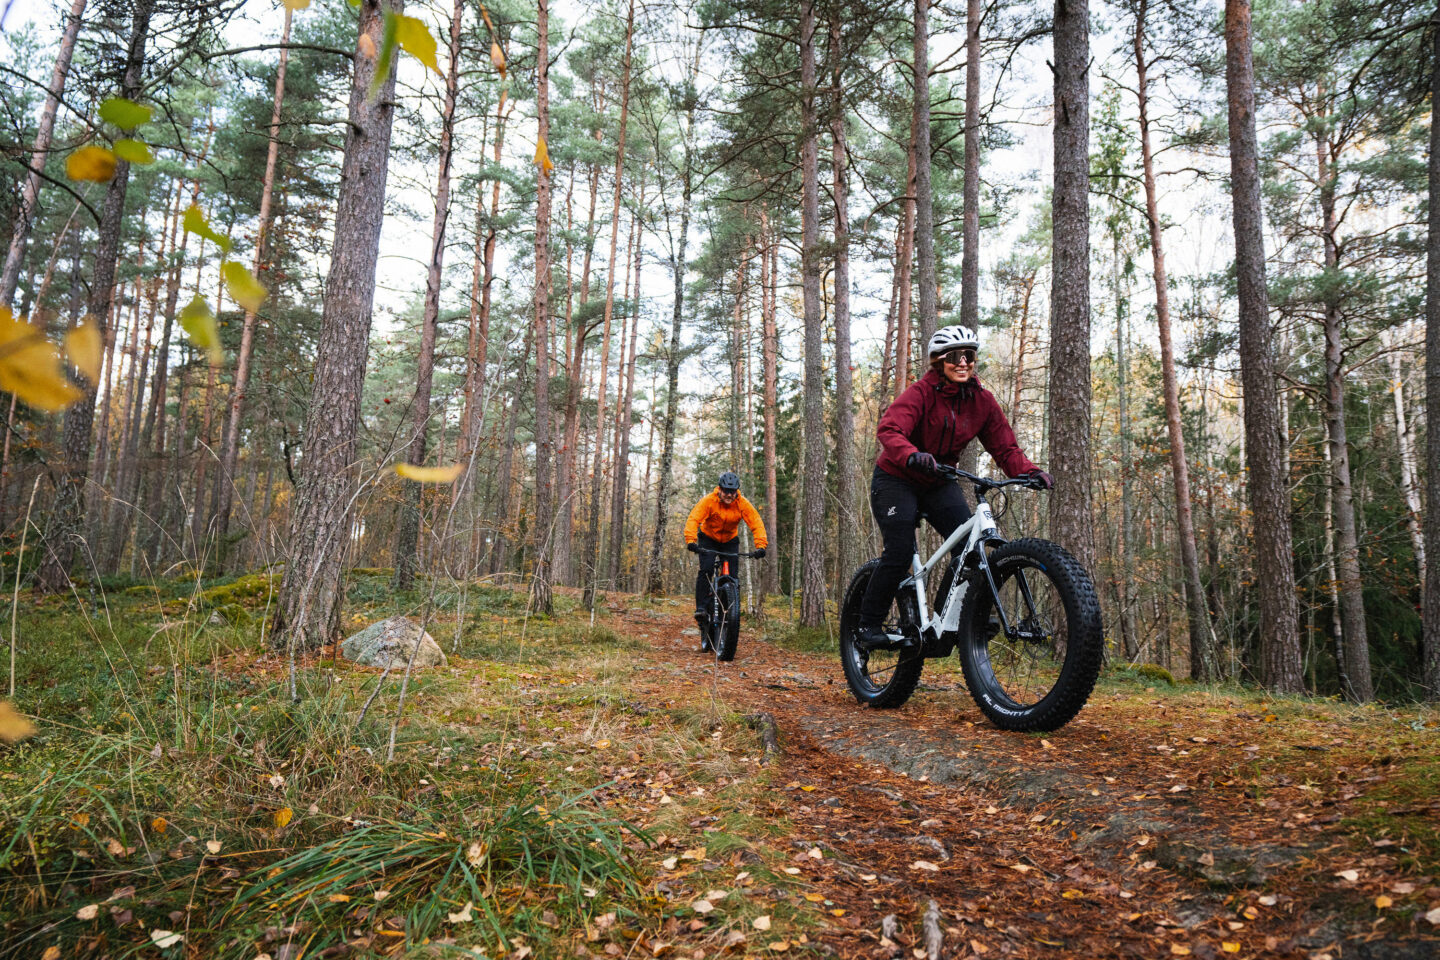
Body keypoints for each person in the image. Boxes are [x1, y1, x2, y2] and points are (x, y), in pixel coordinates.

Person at [855, 325, 1052, 650]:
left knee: (970, 551)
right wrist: (912, 454)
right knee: (900, 551)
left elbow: (1005, 449)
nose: (963, 363)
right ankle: (866, 627)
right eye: (954, 357)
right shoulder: (921, 393)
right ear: (938, 362)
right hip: (896, 478)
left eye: (970, 356)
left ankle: (948, 618)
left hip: (938, 481)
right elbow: (889, 429)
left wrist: (1029, 472)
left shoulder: (983, 402)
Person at [684, 471, 768, 650]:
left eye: (732, 491)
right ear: (719, 490)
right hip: (708, 538)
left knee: (733, 578)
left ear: (737, 491)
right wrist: (691, 541)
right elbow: (694, 518)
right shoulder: (709, 501)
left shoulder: (742, 504)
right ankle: (702, 608)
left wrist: (761, 546)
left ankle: (731, 611)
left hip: (729, 541)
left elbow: (756, 522)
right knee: (706, 569)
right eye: (725, 491)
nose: (729, 495)